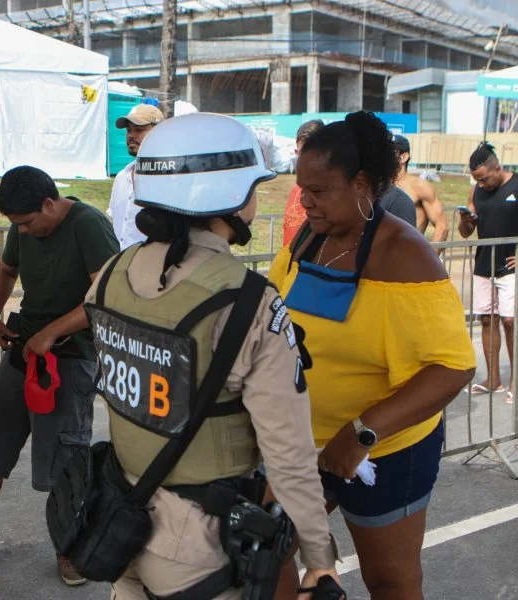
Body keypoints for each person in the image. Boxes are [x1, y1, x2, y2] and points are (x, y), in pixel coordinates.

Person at [81, 112, 340, 600]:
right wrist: (319, 559)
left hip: (117, 517)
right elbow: (288, 453)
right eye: (253, 188)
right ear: (229, 197)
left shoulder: (112, 273)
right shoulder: (248, 303)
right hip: (196, 546)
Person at [269, 112, 476, 600]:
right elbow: (274, 311)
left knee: (390, 580)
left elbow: (453, 366)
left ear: (361, 183)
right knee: (265, 551)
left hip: (381, 452)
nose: (304, 201)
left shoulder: (405, 255)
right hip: (303, 444)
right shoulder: (310, 238)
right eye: (301, 189)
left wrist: (362, 433)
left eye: (318, 190)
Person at [0, 165, 118, 585]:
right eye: (15, 225)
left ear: (48, 204)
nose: (21, 232)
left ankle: (70, 545)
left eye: (25, 223)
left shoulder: (89, 226)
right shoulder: (23, 225)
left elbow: (105, 297)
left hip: (71, 356)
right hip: (23, 349)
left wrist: (52, 332)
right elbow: (6, 271)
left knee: (63, 463)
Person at [458, 142, 518, 397]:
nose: (481, 184)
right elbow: (466, 232)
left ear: (497, 168)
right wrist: (465, 222)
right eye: (476, 180)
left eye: (483, 179)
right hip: (484, 265)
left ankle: (516, 381)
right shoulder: (476, 191)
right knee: (487, 320)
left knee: (510, 321)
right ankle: (493, 380)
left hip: (512, 266)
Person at [108, 103, 165, 249]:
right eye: (128, 130)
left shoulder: (170, 178)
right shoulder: (122, 177)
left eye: (139, 130)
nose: (131, 136)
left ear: (159, 133)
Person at [392, 135, 448, 247]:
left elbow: (442, 227)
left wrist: (429, 256)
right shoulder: (378, 186)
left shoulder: (419, 186)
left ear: (403, 157)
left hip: (407, 253)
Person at [283, 119, 324, 246]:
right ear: (296, 153)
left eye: (313, 153)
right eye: (303, 153)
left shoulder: (331, 195)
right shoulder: (296, 189)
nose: (307, 160)